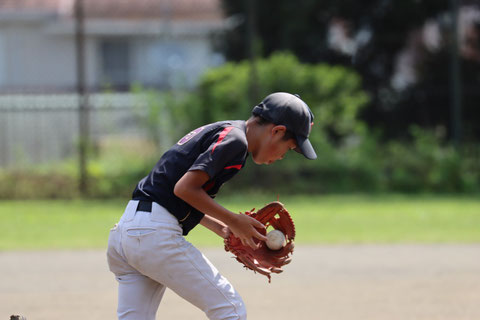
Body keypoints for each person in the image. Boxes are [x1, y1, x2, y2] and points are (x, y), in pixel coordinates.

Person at [107, 92, 317, 320]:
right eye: (288, 148)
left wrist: (223, 228)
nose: (283, 156)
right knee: (231, 309)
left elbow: (175, 194)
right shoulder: (236, 142)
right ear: (277, 131)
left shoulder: (226, 132)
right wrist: (234, 220)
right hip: (152, 236)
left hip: (128, 233)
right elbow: (184, 189)